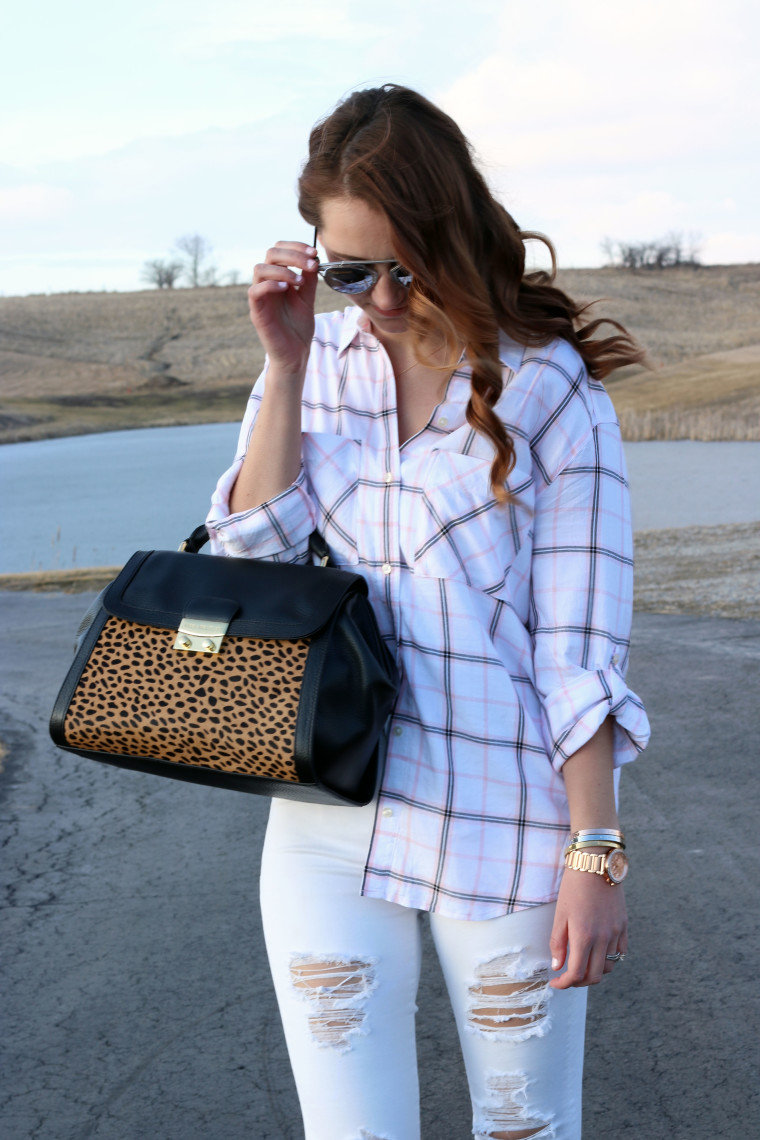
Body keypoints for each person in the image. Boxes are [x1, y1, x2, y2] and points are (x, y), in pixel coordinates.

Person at [206, 84, 650, 1140]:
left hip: (503, 828)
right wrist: (283, 359)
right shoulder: (314, 366)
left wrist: (594, 852)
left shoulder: (551, 394)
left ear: (454, 237)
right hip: (328, 816)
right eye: (353, 271)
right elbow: (250, 551)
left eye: (408, 266)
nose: (386, 297)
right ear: (316, 254)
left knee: (524, 1128)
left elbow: (578, 651)